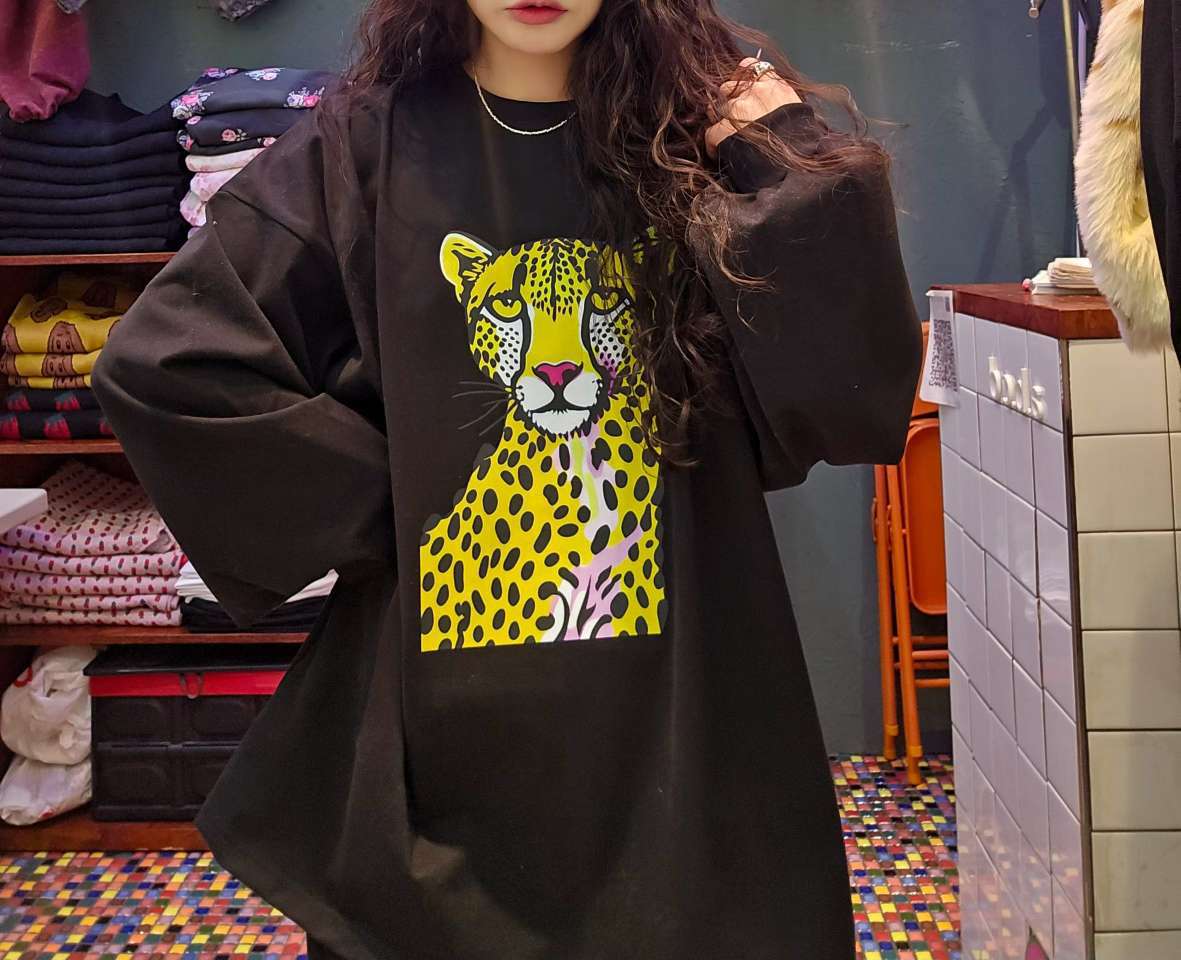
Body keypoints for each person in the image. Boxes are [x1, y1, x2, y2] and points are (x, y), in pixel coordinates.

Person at [91, 1, 921, 957]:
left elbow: (852, 391)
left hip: (684, 733)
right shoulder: (362, 146)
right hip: (444, 755)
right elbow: (170, 365)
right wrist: (406, 510)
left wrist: (784, 154)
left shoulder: (693, 139)